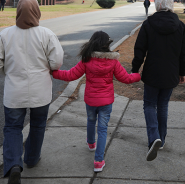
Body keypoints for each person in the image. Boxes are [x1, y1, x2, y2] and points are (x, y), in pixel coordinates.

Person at [0, 0, 64, 184]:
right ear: (37, 11)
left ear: (18, 11)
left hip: (15, 91)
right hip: (41, 91)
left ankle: (13, 164)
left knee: (13, 127)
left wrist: (8, 71)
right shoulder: (47, 34)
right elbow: (57, 61)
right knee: (38, 125)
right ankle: (31, 158)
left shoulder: (5, 35)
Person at [51, 31, 141, 173]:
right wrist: (138, 76)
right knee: (103, 129)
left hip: (91, 100)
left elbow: (71, 75)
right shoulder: (113, 62)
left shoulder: (86, 60)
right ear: (107, 44)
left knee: (91, 120)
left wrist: (53, 72)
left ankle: (91, 143)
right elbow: (126, 78)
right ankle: (98, 161)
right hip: (106, 101)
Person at [132, 0, 185, 162]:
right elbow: (183, 52)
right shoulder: (180, 25)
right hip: (170, 73)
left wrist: (135, 69)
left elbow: (139, 49)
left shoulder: (148, 24)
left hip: (152, 72)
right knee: (162, 105)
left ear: (157, 4)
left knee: (149, 105)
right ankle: (161, 140)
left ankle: (153, 138)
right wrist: (182, 72)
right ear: (171, 4)